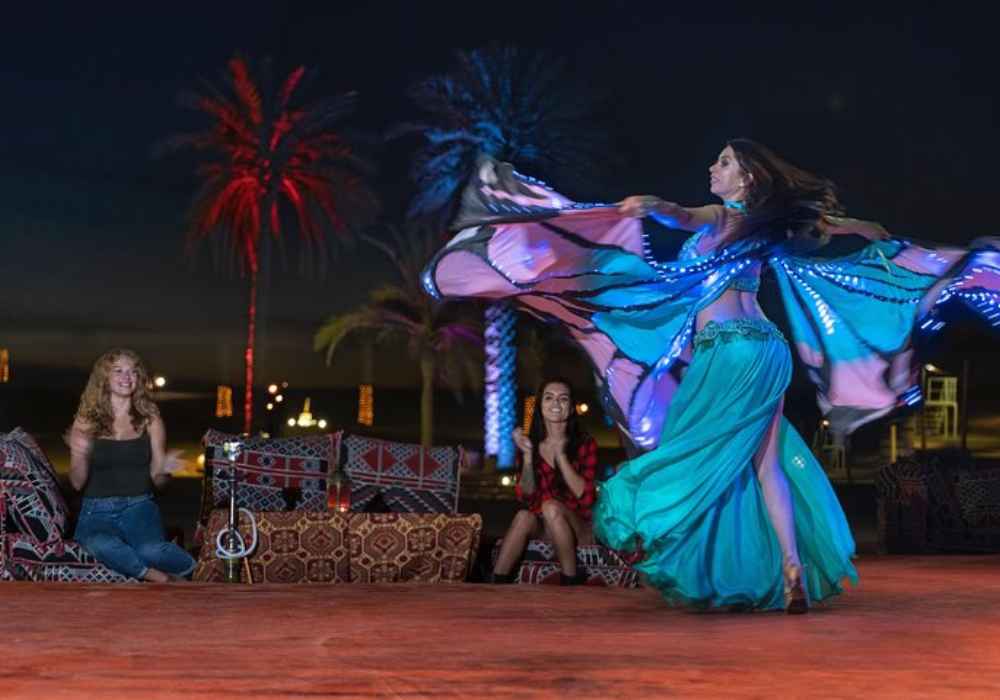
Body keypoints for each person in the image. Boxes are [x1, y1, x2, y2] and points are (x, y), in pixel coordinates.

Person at [423, 141, 1000, 612]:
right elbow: (865, 227)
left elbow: (680, 214)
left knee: (687, 450)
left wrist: (649, 204)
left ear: (746, 178)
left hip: (726, 353)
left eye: (723, 162)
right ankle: (791, 568)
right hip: (766, 351)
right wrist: (866, 233)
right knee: (765, 465)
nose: (711, 167)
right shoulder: (774, 225)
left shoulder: (726, 217)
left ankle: (652, 521)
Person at [66, 349, 195, 582]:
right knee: (99, 544)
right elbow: (77, 484)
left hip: (139, 506)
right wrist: (79, 452)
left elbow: (158, 480)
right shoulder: (86, 421)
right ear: (104, 378)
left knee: (151, 550)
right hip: (97, 510)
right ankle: (156, 576)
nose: (127, 377)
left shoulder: (150, 419)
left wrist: (165, 468)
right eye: (119, 371)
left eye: (133, 372)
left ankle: (198, 569)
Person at [492, 377, 598, 585]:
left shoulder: (585, 443)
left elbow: (586, 499)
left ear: (571, 407)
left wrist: (561, 457)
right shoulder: (529, 444)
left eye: (563, 399)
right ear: (540, 407)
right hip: (545, 527)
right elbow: (525, 495)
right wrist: (528, 457)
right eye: (549, 398)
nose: (556, 404)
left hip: (579, 528)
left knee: (550, 507)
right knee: (524, 516)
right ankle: (496, 583)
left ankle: (570, 580)